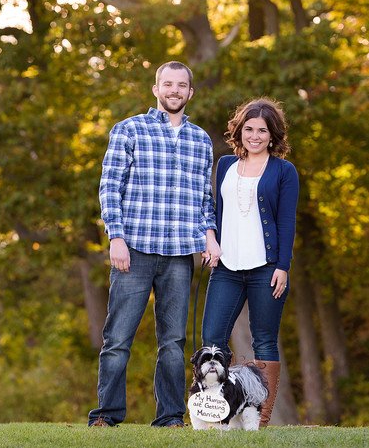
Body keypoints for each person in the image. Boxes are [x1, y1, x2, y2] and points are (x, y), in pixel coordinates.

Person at [88, 61, 221, 427]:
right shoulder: (129, 130)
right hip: (135, 250)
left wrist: (209, 236)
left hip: (180, 255)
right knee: (117, 339)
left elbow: (204, 199)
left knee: (173, 343)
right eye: (168, 84)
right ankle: (107, 415)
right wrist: (115, 236)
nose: (174, 90)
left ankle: (171, 417)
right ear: (156, 88)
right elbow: (109, 187)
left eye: (181, 85)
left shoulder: (201, 140)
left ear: (190, 92)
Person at [200, 97, 299, 427]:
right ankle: (215, 412)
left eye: (262, 130)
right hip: (227, 268)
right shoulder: (225, 165)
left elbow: (286, 222)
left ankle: (261, 417)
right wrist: (211, 240)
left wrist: (282, 266)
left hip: (266, 269)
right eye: (248, 129)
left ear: (272, 135)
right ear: (239, 131)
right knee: (212, 338)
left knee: (265, 340)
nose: (254, 136)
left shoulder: (284, 171)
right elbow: (215, 211)